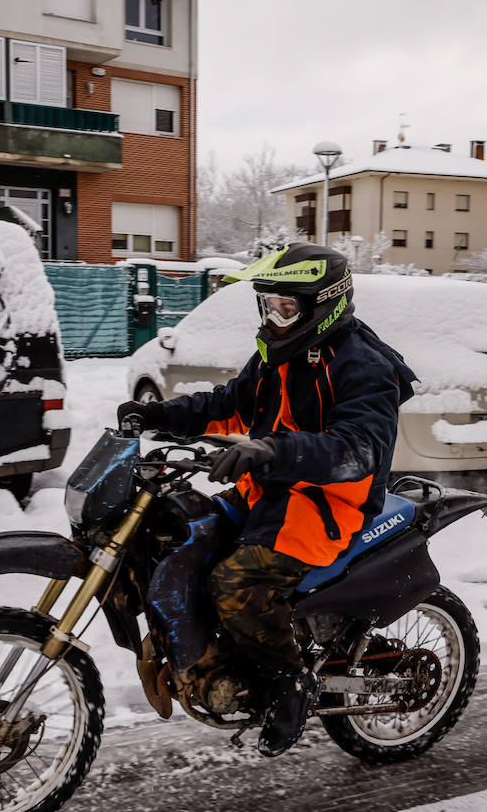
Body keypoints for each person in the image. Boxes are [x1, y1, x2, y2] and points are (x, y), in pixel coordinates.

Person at [116, 243, 417, 757]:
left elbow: (358, 449)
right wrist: (162, 415)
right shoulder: (279, 355)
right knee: (178, 533)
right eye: (268, 305)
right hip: (271, 491)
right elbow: (230, 403)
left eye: (285, 307)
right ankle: (214, 652)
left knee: (235, 583)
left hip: (327, 504)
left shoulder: (363, 367)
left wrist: (273, 449)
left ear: (326, 303)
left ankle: (289, 686)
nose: (273, 317)